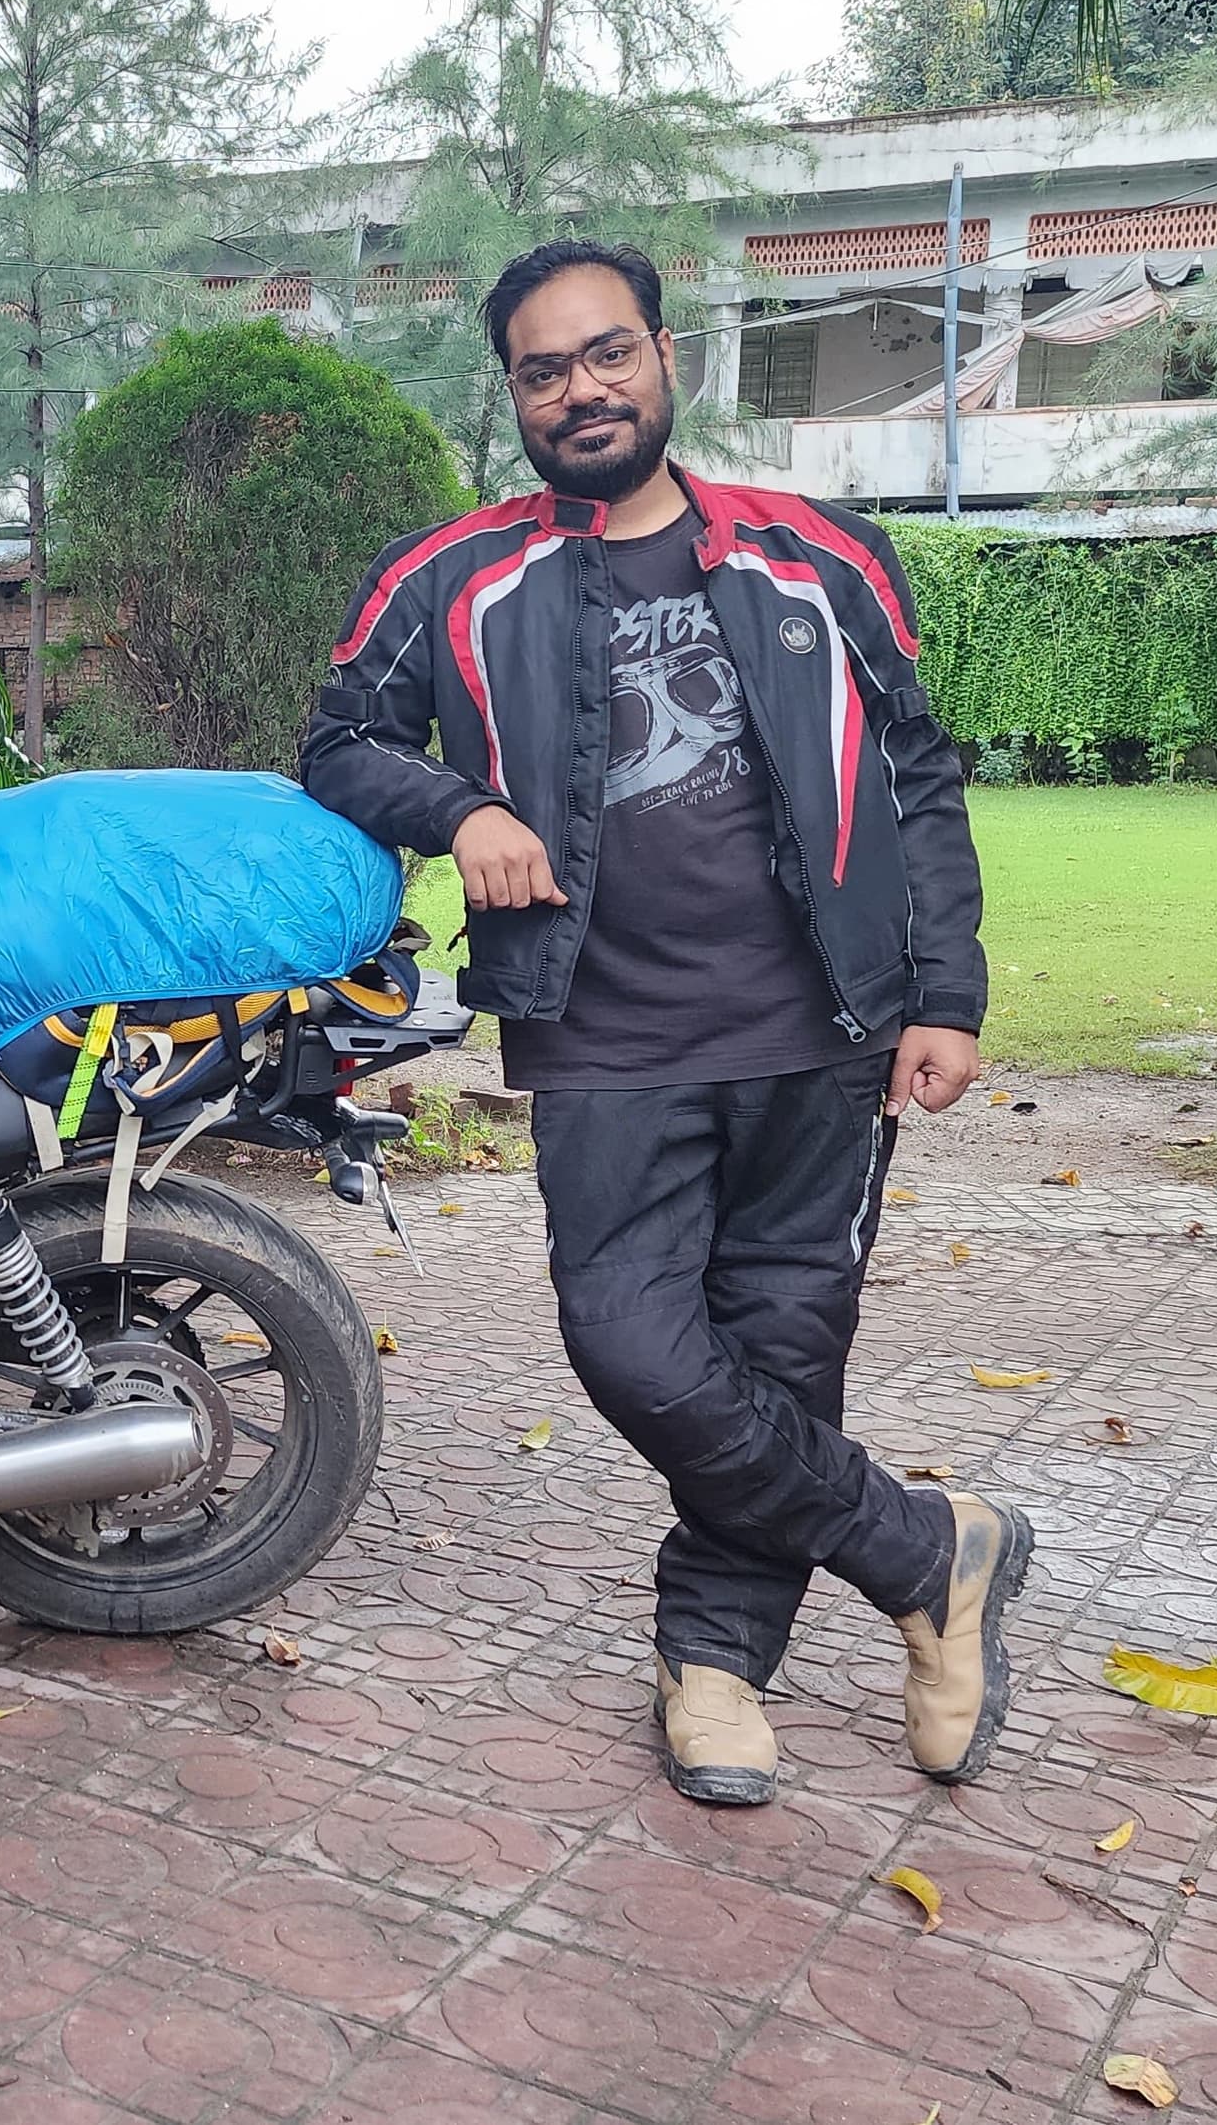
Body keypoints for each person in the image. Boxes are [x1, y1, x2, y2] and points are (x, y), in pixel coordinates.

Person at [299, 239, 1028, 1807]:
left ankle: (713, 1667)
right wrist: (463, 804)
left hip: (817, 1029)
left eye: (607, 352)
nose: (583, 389)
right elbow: (342, 742)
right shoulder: (451, 575)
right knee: (630, 1340)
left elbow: (917, 775)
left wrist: (945, 994)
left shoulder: (815, 555)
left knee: (781, 1350)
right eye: (545, 369)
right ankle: (926, 1548)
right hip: (603, 1032)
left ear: (665, 356)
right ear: (512, 394)